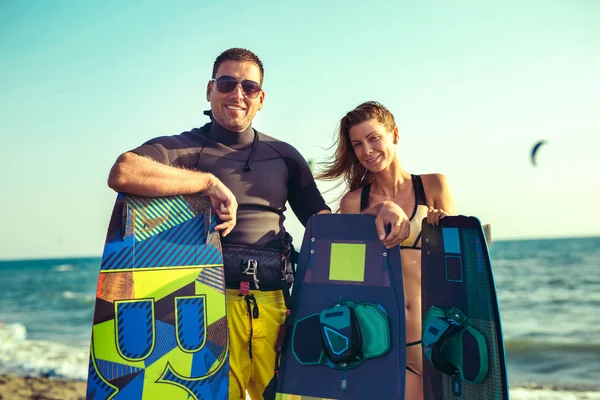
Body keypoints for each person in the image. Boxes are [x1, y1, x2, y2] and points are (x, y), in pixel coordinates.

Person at [107, 49, 404, 400]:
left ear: (260, 99)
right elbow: (124, 171)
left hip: (276, 305)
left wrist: (379, 208)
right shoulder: (181, 150)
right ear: (209, 90)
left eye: (248, 87)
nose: (237, 94)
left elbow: (323, 227)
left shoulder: (285, 156)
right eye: (227, 83)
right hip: (207, 307)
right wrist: (206, 183)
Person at [318, 101, 456, 400]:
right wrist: (379, 208)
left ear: (394, 134)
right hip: (382, 338)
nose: (366, 150)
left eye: (373, 138)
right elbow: (345, 276)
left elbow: (457, 267)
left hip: (435, 335)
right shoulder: (354, 203)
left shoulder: (434, 186)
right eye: (357, 144)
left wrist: (442, 230)